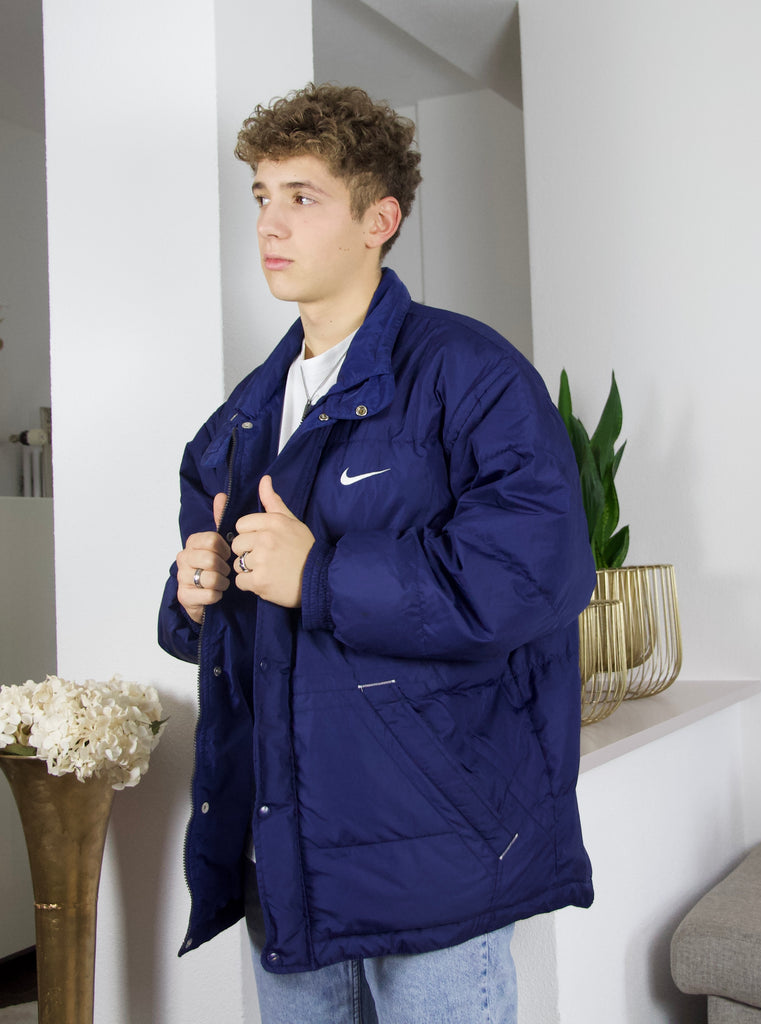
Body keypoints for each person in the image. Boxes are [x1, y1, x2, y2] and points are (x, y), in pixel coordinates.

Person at [158, 82, 596, 1024]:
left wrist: (317, 574)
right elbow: (241, 635)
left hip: (435, 858)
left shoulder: (470, 375)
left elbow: (533, 576)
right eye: (262, 196)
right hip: (286, 861)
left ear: (378, 220)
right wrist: (193, 598)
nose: (270, 223)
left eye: (302, 197)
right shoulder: (237, 422)